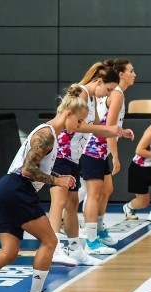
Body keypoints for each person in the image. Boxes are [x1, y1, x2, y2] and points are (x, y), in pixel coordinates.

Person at [0, 85, 83, 292]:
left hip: (6, 189)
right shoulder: (47, 135)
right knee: (50, 241)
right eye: (79, 121)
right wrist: (56, 182)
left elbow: (32, 167)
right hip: (17, 189)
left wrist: (58, 176)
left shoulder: (47, 134)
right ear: (68, 114)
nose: (78, 128)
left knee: (9, 251)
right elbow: (27, 170)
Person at [49, 62, 128, 267]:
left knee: (73, 203)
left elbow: (96, 127)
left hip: (75, 155)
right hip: (61, 152)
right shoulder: (82, 93)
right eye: (108, 89)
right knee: (59, 202)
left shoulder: (92, 97)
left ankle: (75, 250)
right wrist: (108, 129)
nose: (106, 95)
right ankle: (54, 247)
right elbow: (72, 125)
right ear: (99, 82)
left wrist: (117, 131)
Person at [80, 58, 136, 255]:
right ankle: (91, 239)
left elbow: (110, 126)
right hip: (93, 148)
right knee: (92, 194)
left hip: (99, 147)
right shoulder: (117, 95)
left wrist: (122, 132)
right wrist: (115, 155)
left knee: (106, 189)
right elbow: (108, 125)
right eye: (131, 70)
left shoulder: (112, 93)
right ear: (120, 74)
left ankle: (99, 230)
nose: (134, 74)